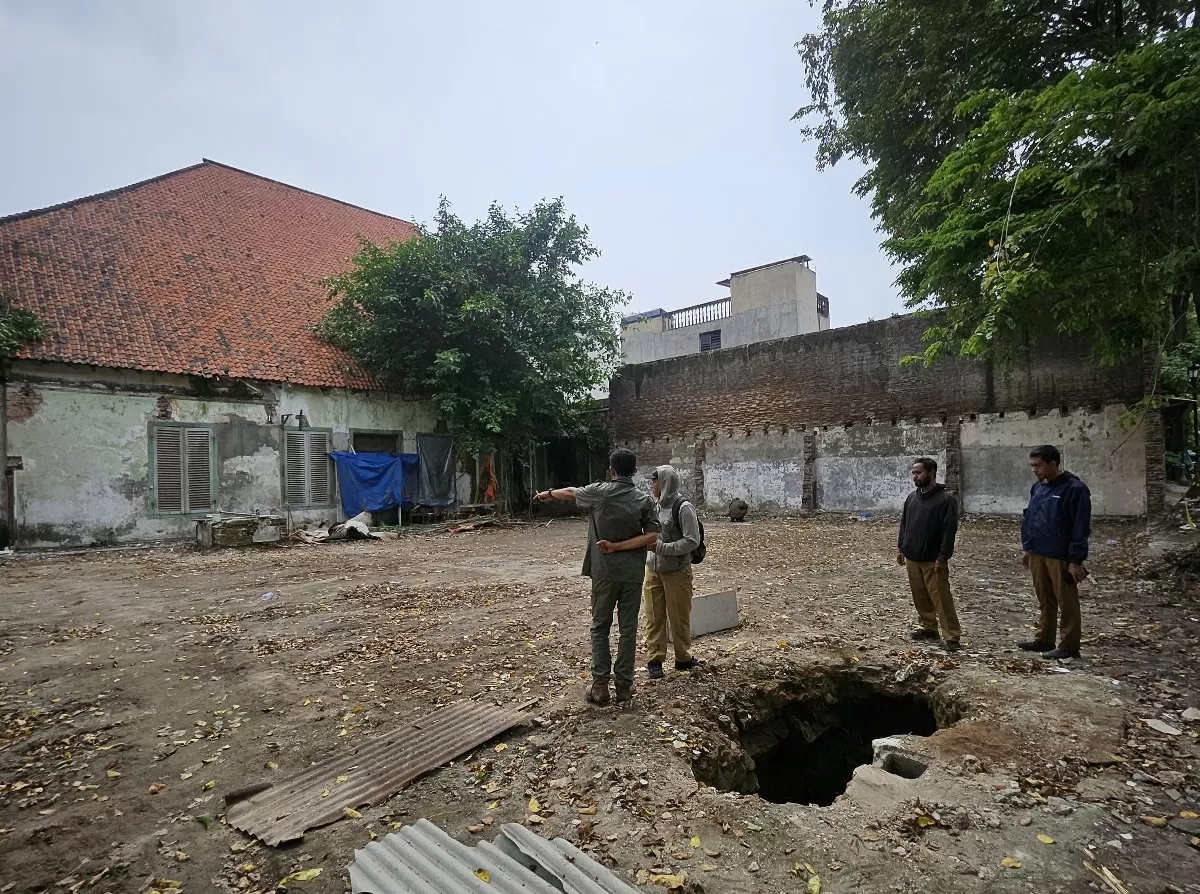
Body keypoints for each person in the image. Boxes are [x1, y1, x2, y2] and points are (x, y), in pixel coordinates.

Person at [536, 449, 660, 705]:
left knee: (600, 626)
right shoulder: (643, 500)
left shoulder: (600, 492)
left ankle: (600, 686)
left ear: (611, 471)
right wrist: (621, 546)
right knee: (628, 630)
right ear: (634, 471)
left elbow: (572, 492)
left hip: (604, 573)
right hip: (632, 575)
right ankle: (624, 686)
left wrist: (548, 494)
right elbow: (651, 537)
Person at [604, 465, 705, 679]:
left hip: (677, 571)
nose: (652, 485)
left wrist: (661, 548)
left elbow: (692, 541)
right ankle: (655, 659)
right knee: (653, 616)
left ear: (665, 482)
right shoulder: (653, 506)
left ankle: (683, 657)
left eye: (655, 481)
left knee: (679, 616)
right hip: (652, 569)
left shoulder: (684, 508)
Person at [1019, 445, 1091, 660]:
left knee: (1066, 602)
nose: (1034, 470)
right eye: (1032, 465)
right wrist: (1028, 548)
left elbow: (1081, 526)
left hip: (1061, 556)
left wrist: (1075, 559)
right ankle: (1044, 638)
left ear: (1053, 463)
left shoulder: (1075, 489)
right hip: (1038, 552)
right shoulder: (1037, 488)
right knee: (1044, 598)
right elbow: (1031, 518)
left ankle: (1069, 645)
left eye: (1038, 465)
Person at [896, 457, 962, 652]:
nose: (915, 476)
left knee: (941, 598)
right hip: (913, 557)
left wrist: (943, 557)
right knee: (920, 596)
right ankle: (928, 627)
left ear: (931, 473)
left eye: (919, 473)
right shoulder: (912, 498)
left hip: (932, 560)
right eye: (914, 473)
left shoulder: (945, 500)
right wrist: (902, 548)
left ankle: (952, 636)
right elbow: (905, 524)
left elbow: (949, 531)